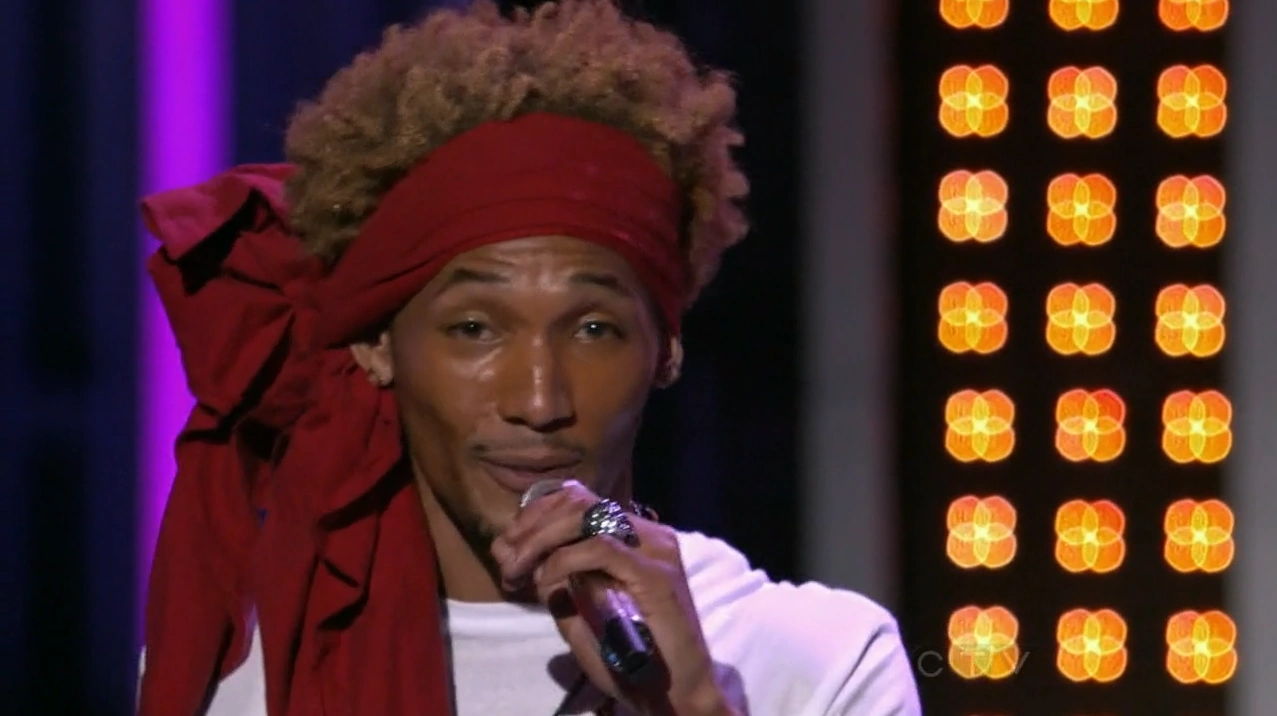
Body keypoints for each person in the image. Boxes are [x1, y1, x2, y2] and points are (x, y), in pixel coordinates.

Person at [135, 1, 921, 714]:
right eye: (474, 329)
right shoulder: (240, 675)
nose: (539, 401)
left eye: (594, 330)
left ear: (666, 347)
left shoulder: (816, 661)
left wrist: (689, 705)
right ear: (376, 343)